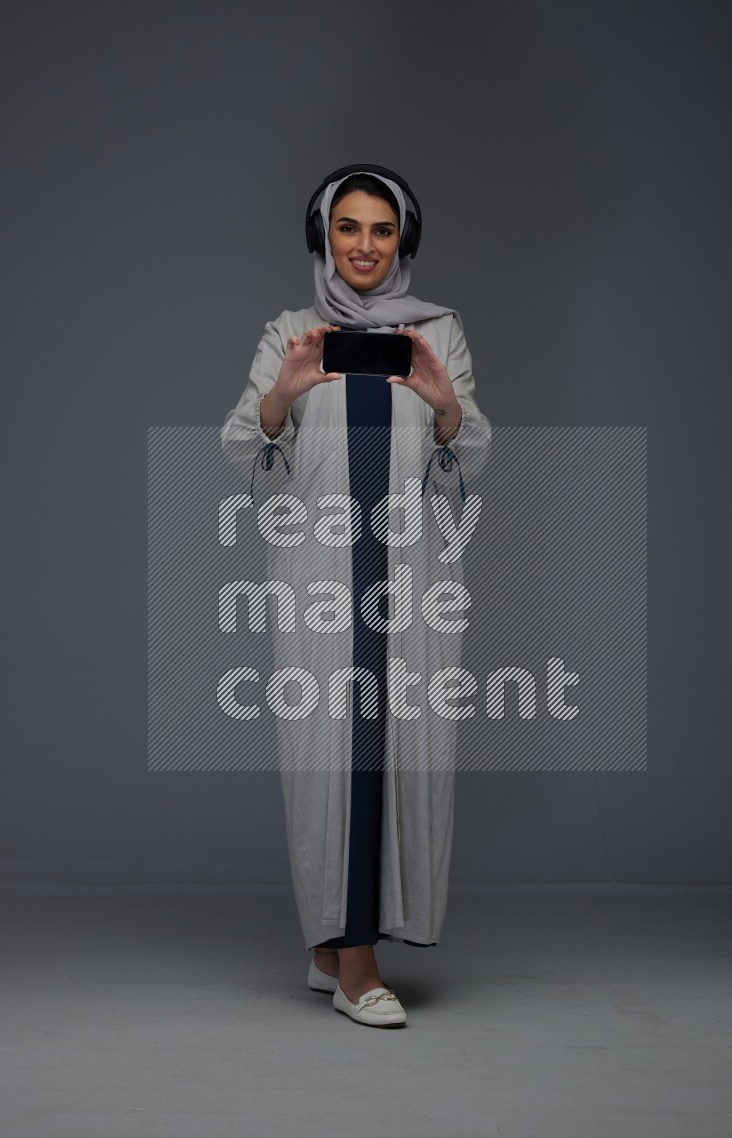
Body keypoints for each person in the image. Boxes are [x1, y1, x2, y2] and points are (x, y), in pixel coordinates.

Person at [221, 165, 491, 1027]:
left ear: (402, 239)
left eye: (381, 230)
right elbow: (240, 450)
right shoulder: (291, 331)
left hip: (408, 577)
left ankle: (336, 946)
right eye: (348, 228)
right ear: (322, 236)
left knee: (401, 747)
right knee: (326, 755)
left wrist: (445, 407)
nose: (365, 246)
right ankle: (354, 961)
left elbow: (470, 457)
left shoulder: (438, 332)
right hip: (322, 580)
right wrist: (285, 393)